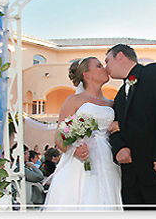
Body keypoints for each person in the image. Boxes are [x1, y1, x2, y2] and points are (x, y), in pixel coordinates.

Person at [105, 44, 156, 210]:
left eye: (107, 61)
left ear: (120, 55)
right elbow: (113, 129)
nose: (106, 67)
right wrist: (120, 148)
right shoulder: (119, 96)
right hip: (130, 179)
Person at [43, 57, 122, 211]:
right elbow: (59, 137)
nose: (104, 68)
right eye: (99, 66)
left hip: (108, 160)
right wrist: (75, 150)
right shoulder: (73, 101)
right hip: (81, 162)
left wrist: (120, 125)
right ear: (87, 74)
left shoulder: (112, 103)